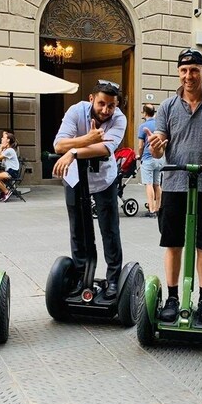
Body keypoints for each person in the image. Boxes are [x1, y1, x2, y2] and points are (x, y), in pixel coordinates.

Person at [143, 48, 202, 324]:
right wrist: (156, 148)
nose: (188, 75)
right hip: (174, 184)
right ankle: (172, 297)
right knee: (173, 244)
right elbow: (159, 150)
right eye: (184, 70)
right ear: (178, 73)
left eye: (194, 70)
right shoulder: (168, 107)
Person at [52, 80, 127, 300]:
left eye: (111, 106)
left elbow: (105, 147)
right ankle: (80, 276)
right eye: (101, 103)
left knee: (109, 229)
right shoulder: (76, 111)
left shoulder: (119, 118)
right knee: (78, 229)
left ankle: (113, 279)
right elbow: (58, 145)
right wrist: (87, 139)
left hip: (104, 178)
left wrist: (73, 151)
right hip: (75, 177)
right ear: (91, 99)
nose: (106, 110)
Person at [137, 103, 163, 218]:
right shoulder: (159, 124)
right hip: (160, 159)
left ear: (144, 113)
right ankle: (158, 208)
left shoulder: (143, 126)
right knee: (157, 184)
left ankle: (151, 210)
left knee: (149, 184)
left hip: (148, 158)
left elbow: (140, 146)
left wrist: (140, 155)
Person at [0, 130, 21, 202]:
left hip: (12, 172)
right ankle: (4, 191)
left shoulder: (9, 150)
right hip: (9, 170)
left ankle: (6, 191)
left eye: (3, 138)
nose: (1, 139)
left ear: (8, 140)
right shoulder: (7, 150)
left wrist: (0, 148)